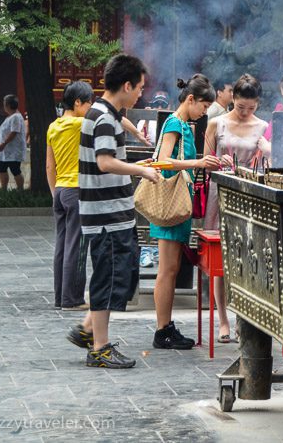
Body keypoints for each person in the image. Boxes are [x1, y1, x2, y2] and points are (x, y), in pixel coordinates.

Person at [65, 54, 161, 369]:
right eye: (139, 88)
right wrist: (140, 171)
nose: (140, 95)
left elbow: (111, 150)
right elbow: (105, 162)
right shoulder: (103, 117)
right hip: (105, 214)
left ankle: (90, 329)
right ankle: (100, 347)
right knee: (108, 278)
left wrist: (137, 156)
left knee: (121, 273)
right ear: (126, 85)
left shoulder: (104, 111)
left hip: (112, 211)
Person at [150, 74, 221, 350]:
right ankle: (162, 330)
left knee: (171, 268)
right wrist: (199, 161)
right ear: (191, 99)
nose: (204, 111)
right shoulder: (174, 123)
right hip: (171, 204)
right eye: (203, 106)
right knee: (167, 270)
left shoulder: (184, 125)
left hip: (179, 205)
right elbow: (163, 161)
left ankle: (166, 327)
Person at [203, 74, 269, 343]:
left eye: (251, 108)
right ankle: (222, 320)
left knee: (249, 258)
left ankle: (246, 318)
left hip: (250, 195)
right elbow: (204, 161)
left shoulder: (263, 126)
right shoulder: (215, 123)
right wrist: (218, 162)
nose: (245, 113)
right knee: (221, 260)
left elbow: (269, 166)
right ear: (232, 99)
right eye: (241, 107)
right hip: (219, 194)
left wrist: (267, 151)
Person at [46, 82, 94, 311]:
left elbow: (49, 166)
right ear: (77, 102)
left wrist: (55, 193)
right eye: (88, 102)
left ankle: (60, 297)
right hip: (77, 191)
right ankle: (72, 299)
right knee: (77, 246)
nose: (91, 107)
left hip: (61, 190)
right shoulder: (81, 124)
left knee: (62, 245)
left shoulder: (53, 127)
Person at [0, 95, 26, 190]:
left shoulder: (16, 117)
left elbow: (14, 132)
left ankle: (20, 188)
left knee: (15, 169)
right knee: (1, 166)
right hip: (6, 149)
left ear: (8, 105)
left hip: (13, 148)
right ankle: (3, 187)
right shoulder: (11, 116)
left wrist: (4, 143)